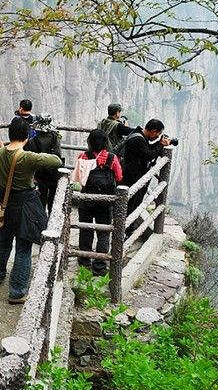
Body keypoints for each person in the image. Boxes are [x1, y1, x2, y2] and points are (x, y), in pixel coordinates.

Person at [0, 117, 62, 304]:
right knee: (23, 246)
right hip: (24, 203)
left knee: (3, 240)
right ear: (26, 136)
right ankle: (17, 291)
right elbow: (55, 161)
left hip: (3, 201)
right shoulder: (28, 157)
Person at [71, 129, 123, 275]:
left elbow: (78, 177)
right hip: (105, 202)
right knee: (103, 233)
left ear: (90, 142)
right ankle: (99, 266)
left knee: (85, 229)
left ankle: (84, 261)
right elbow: (119, 177)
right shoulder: (112, 158)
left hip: (86, 200)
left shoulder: (84, 156)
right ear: (106, 142)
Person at [119, 118, 170, 238]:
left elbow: (146, 150)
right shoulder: (138, 139)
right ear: (152, 130)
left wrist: (159, 144)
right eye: (157, 134)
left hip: (131, 174)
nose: (157, 136)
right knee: (132, 204)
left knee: (132, 203)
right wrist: (161, 145)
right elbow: (148, 155)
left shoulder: (139, 135)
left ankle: (126, 228)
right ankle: (124, 231)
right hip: (132, 176)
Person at [24, 118, 63, 214]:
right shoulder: (55, 139)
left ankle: (41, 218)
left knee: (41, 195)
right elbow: (58, 154)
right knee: (53, 196)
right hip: (53, 171)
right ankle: (52, 215)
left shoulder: (32, 140)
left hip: (39, 172)